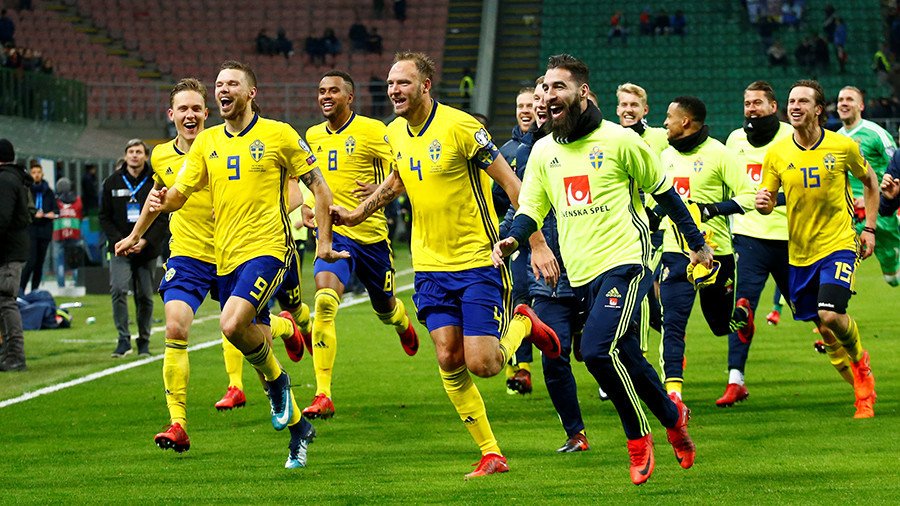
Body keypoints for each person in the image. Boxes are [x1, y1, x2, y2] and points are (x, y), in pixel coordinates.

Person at [330, 51, 561, 479]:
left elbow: (514, 185)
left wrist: (538, 243)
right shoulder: (395, 132)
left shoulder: (461, 127)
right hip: (429, 266)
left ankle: (524, 322)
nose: (394, 90)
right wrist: (360, 212)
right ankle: (491, 452)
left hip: (477, 261)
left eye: (403, 82)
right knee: (448, 358)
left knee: (484, 364)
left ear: (425, 86)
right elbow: (400, 178)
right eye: (390, 83)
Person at [494, 54, 708, 485]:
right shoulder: (543, 151)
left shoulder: (621, 141)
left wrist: (698, 244)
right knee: (626, 354)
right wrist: (515, 238)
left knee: (594, 351)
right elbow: (531, 207)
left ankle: (638, 439)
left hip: (627, 262)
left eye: (559, 88)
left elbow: (665, 195)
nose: (549, 97)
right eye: (545, 90)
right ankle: (673, 418)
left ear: (582, 92)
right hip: (581, 272)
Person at [146, 61, 344, 467]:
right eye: (219, 84)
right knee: (250, 335)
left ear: (251, 93)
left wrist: (323, 240)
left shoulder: (278, 134)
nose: (223, 89)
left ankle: (278, 384)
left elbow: (319, 187)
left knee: (231, 324)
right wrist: (158, 203)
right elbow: (180, 195)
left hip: (269, 249)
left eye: (232, 83)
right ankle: (296, 428)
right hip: (225, 257)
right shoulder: (207, 143)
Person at [297, 70, 419, 419]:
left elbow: (407, 167)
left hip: (372, 238)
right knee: (324, 302)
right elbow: (313, 179)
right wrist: (308, 205)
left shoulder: (373, 130)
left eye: (333, 91)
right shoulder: (312, 135)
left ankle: (401, 323)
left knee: (385, 309)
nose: (325, 96)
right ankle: (323, 393)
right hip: (336, 235)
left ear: (349, 97)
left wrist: (381, 189)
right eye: (321, 91)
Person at [757, 79, 878, 418]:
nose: (794, 106)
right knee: (824, 328)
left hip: (838, 243)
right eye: (792, 100)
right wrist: (763, 202)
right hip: (799, 251)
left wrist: (868, 228)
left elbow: (869, 182)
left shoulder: (842, 147)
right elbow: (767, 201)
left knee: (830, 314)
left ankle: (862, 369)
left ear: (818, 109)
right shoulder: (777, 153)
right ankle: (858, 384)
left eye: (803, 101)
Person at [502, 77, 590, 450]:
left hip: (595, 268)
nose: (540, 104)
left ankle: (651, 418)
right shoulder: (530, 154)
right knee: (554, 355)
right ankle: (576, 433)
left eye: (547, 97)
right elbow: (519, 205)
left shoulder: (590, 147)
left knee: (604, 354)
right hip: (549, 277)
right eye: (535, 98)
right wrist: (506, 238)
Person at [658, 96, 755, 400]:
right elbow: (654, 201)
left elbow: (750, 196)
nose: (665, 123)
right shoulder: (664, 156)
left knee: (719, 324)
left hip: (717, 254)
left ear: (685, 122)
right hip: (676, 252)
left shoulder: (719, 153)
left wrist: (712, 209)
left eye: (669, 117)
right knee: (672, 322)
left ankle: (742, 318)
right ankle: (673, 394)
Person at [718, 81, 794, 407]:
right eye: (747, 103)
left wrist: (774, 199)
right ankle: (736, 380)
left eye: (758, 103)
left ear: (773, 106)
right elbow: (730, 187)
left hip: (792, 239)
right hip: (749, 238)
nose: (751, 108)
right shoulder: (735, 139)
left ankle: (853, 364)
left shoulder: (791, 137)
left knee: (814, 311)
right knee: (742, 309)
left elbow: (805, 187)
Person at [100, 139, 167, 357]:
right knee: (118, 289)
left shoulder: (155, 182)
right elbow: (104, 217)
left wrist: (145, 241)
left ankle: (144, 341)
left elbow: (163, 217)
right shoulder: (112, 182)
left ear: (146, 156)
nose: (135, 155)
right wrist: (122, 240)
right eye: (131, 152)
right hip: (120, 248)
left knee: (145, 296)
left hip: (147, 250)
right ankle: (123, 340)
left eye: (139, 152)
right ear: (126, 155)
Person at [836, 86, 900, 286]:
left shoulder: (876, 134)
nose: (844, 103)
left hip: (880, 213)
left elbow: (896, 167)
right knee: (837, 260)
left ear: (861, 106)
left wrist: (877, 196)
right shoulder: (835, 139)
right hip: (850, 215)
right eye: (840, 100)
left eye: (849, 99)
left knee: (892, 279)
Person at [495, 87, 535, 393]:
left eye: (530, 105)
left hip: (553, 235)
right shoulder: (504, 152)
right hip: (517, 235)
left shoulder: (547, 146)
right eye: (520, 105)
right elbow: (497, 197)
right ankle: (520, 368)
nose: (525, 110)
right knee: (517, 296)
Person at [0, 139, 30, 371]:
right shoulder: (15, 177)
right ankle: (8, 353)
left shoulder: (4, 180)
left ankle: (15, 355)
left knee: (6, 302)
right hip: (12, 249)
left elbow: (2, 218)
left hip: (7, 252)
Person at [20, 162, 57, 292]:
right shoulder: (27, 190)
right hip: (31, 230)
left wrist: (52, 213)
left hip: (45, 230)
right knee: (31, 261)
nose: (36, 175)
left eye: (38, 172)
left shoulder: (48, 191)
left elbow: (55, 209)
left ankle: (35, 290)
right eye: (34, 173)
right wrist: (34, 214)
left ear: (42, 174)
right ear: (30, 174)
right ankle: (21, 289)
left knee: (40, 263)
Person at [52, 177, 82, 288]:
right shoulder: (77, 200)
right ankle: (76, 281)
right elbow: (80, 214)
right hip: (74, 233)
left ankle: (61, 284)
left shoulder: (56, 201)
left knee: (59, 259)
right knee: (74, 257)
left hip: (58, 233)